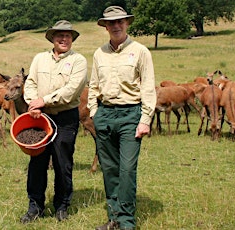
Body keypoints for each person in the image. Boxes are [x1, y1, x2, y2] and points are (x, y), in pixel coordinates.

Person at [87, 6, 156, 230]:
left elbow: (147, 87)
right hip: (105, 114)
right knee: (109, 169)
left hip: (130, 114)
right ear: (105, 26)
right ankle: (114, 218)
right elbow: (94, 85)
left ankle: (126, 222)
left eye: (120, 22)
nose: (116, 26)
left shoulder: (140, 51)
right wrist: (94, 112)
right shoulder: (99, 53)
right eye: (111, 23)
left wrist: (145, 119)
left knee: (126, 169)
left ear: (127, 23)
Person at [20, 20, 88, 223]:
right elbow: (30, 82)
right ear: (52, 38)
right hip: (40, 117)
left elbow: (71, 91)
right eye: (59, 35)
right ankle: (35, 207)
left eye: (68, 35)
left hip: (65, 117)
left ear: (72, 39)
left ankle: (61, 206)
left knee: (63, 162)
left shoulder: (79, 61)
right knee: (37, 162)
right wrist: (33, 102)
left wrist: (44, 100)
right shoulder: (40, 59)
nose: (64, 38)